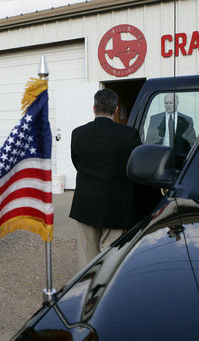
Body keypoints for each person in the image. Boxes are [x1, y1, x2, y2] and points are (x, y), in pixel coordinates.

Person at [69, 89, 142, 269]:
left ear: (94, 108)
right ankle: (105, 292)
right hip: (116, 204)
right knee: (110, 256)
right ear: (116, 109)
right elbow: (135, 167)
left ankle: (86, 290)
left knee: (87, 257)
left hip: (85, 202)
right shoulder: (129, 134)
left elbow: (76, 162)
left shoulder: (78, 133)